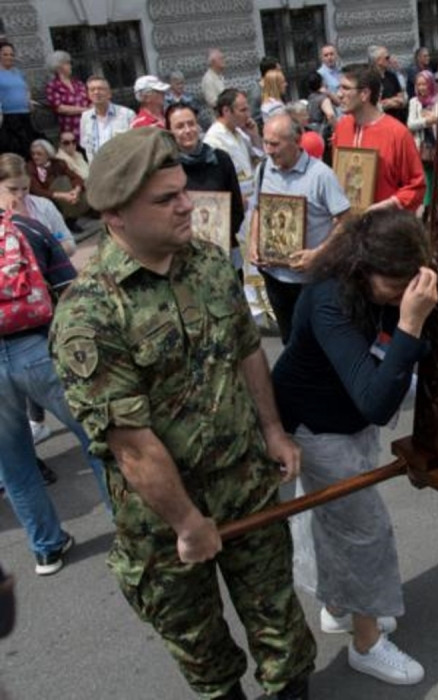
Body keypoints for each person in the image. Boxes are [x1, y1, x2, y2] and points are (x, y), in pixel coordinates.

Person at [50, 127, 316, 699]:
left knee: (280, 630)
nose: (186, 203)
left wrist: (272, 430)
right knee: (203, 650)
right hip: (165, 522)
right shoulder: (90, 312)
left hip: (246, 484)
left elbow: (248, 348)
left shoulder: (208, 264)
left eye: (183, 190)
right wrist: (187, 523)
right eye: (166, 198)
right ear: (116, 216)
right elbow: (131, 443)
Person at [273, 209, 435, 686]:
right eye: (396, 283)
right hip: (315, 426)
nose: (406, 292)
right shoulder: (329, 299)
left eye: (413, 281)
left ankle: (339, 606)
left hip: (344, 423)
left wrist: (409, 321)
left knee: (332, 521)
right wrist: (410, 323)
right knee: (364, 531)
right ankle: (366, 644)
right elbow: (376, 402)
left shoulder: (384, 289)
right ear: (363, 268)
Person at [0, 152, 107, 577]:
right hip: (36, 347)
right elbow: (67, 289)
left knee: (13, 463)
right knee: (94, 435)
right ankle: (130, 524)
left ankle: (46, 547)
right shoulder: (29, 227)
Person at [250, 113, 350, 343]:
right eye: (265, 142)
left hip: (311, 281)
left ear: (297, 140)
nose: (268, 150)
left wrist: (318, 253)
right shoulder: (264, 169)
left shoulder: (321, 175)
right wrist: (255, 243)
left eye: (275, 144)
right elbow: (258, 209)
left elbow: (346, 221)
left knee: (318, 344)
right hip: (274, 277)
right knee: (290, 341)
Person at [332, 64, 425, 212]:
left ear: (364, 94)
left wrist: (388, 205)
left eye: (346, 88)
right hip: (351, 227)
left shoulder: (397, 133)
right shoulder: (342, 128)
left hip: (385, 227)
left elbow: (416, 186)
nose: (339, 95)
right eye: (339, 88)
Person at [166, 103, 244, 270]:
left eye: (191, 123)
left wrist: (222, 234)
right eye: (180, 126)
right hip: (188, 258)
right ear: (170, 132)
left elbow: (237, 207)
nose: (187, 130)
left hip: (225, 250)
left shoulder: (220, 159)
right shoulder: (167, 169)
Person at [27, 139, 86, 223]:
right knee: (61, 182)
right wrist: (62, 195)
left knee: (68, 181)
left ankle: (72, 217)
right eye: (33, 154)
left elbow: (76, 177)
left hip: (67, 196)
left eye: (39, 154)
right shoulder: (30, 167)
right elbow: (36, 190)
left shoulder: (58, 163)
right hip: (47, 199)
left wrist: (76, 191)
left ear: (48, 154)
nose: (35, 157)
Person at [80, 76, 135, 161]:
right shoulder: (85, 117)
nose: (96, 92)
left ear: (109, 93)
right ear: (88, 95)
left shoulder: (127, 114)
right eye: (92, 89)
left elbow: (135, 145)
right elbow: (85, 145)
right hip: (98, 170)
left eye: (100, 89)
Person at [0, 41, 40, 159]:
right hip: (8, 117)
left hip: (25, 114)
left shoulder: (18, 72)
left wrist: (28, 100)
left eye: (11, 54)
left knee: (29, 146)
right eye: (5, 54)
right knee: (14, 148)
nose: (9, 57)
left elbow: (26, 89)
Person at [406, 70, 438, 214]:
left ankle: (433, 206)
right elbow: (410, 124)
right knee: (424, 176)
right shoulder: (414, 102)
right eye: (418, 85)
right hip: (422, 145)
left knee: (436, 175)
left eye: (424, 84)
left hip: (437, 143)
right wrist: (426, 121)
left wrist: (433, 117)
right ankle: (424, 206)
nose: (421, 88)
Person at [43, 51, 90, 142]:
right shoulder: (53, 86)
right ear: (58, 67)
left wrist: (92, 108)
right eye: (67, 63)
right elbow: (60, 108)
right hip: (71, 131)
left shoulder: (78, 83)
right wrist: (85, 110)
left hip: (88, 128)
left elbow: (90, 100)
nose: (70, 66)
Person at [369, 46, 408, 124]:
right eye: (387, 58)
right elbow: (371, 104)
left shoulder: (391, 76)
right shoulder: (370, 78)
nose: (389, 60)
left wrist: (390, 102)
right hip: (380, 121)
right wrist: (390, 103)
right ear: (378, 60)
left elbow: (401, 98)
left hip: (397, 119)